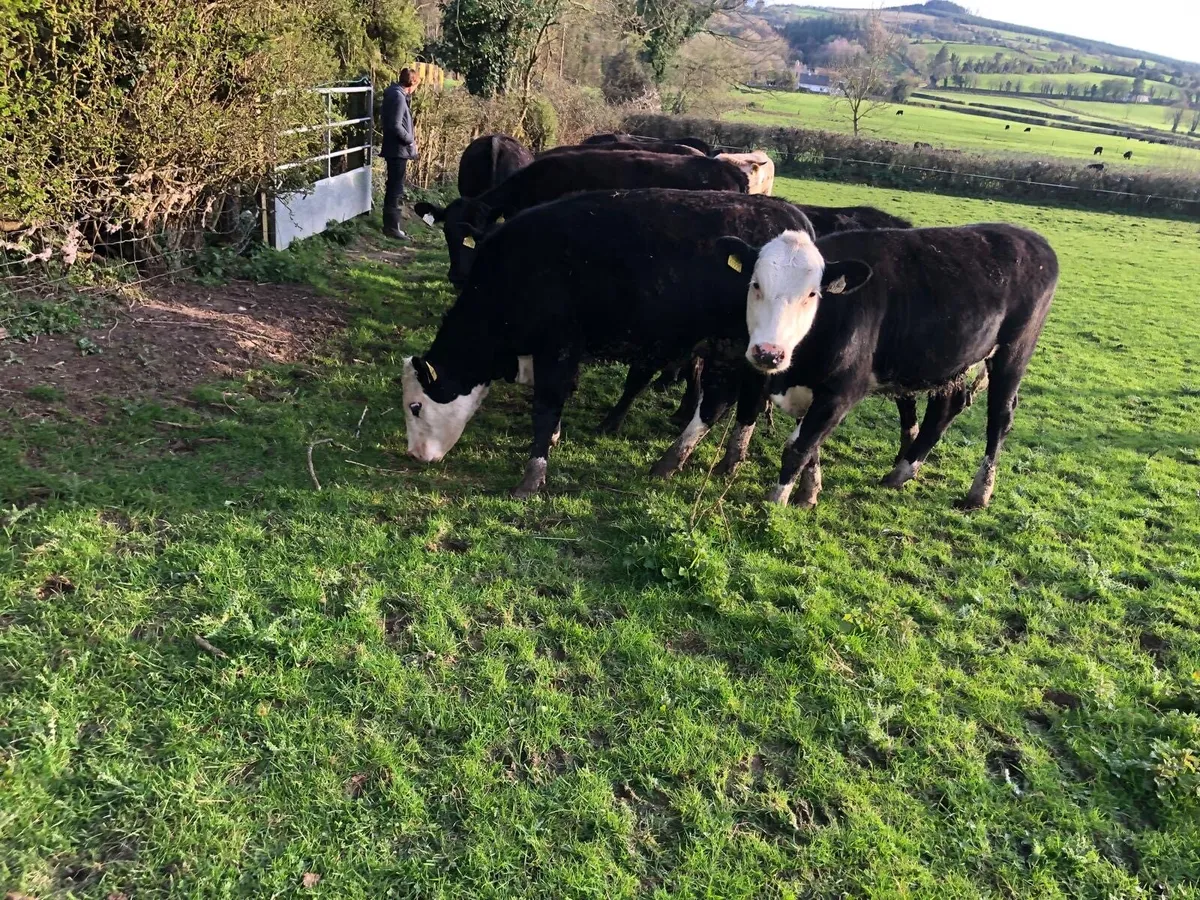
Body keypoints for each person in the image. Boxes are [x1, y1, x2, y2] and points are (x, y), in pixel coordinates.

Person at [380, 67, 420, 239]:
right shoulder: (398, 97)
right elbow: (395, 125)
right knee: (395, 187)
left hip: (396, 148)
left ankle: (392, 226)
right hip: (398, 149)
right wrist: (409, 139)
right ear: (413, 83)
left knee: (394, 186)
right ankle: (392, 227)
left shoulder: (396, 94)